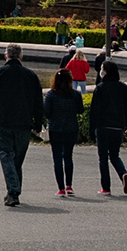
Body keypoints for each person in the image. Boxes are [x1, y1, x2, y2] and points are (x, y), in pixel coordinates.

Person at [0, 43, 44, 206]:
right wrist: (38, 123)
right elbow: (38, 102)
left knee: (6, 154)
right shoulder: (31, 76)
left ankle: (13, 191)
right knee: (17, 158)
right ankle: (13, 191)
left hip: (3, 120)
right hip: (24, 122)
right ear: (21, 57)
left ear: (6, 56)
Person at [90, 61, 127, 195]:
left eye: (102, 69)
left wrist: (92, 129)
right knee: (114, 155)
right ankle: (123, 173)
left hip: (103, 126)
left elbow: (95, 111)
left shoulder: (101, 88)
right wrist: (126, 123)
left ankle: (106, 187)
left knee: (103, 158)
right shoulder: (124, 88)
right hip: (118, 126)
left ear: (106, 71)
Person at [42, 70, 84, 198]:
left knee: (57, 158)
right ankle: (69, 185)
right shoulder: (76, 94)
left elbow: (47, 113)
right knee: (68, 156)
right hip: (71, 128)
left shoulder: (51, 95)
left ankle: (60, 188)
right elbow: (80, 110)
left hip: (56, 128)